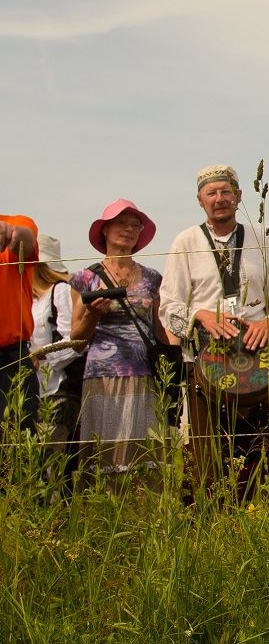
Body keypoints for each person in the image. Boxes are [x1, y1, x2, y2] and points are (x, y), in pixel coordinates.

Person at [159, 165, 269, 494]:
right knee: (208, 460)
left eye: (225, 191)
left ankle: (267, 524)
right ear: (200, 200)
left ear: (239, 196)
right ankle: (215, 534)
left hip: (260, 365)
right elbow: (167, 307)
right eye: (211, 193)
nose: (219, 199)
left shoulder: (261, 239)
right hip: (207, 368)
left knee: (268, 455)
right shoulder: (185, 241)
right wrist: (200, 316)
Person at [69, 200, 166, 474]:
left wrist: (174, 363)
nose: (129, 229)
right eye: (121, 223)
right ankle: (103, 514)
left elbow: (159, 329)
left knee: (142, 453)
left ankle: (144, 514)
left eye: (136, 225)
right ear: (105, 230)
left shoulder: (152, 278)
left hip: (144, 374)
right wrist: (92, 315)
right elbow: (76, 342)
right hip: (102, 376)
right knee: (106, 453)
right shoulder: (85, 278)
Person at [30, 235, 85, 479]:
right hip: (26, 392)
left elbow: (75, 341)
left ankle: (55, 514)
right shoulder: (22, 299)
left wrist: (41, 355)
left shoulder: (60, 291)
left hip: (56, 391)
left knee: (51, 462)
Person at [0, 214, 38, 434]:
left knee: (17, 443)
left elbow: (26, 240)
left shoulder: (19, 221)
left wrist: (12, 233)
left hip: (10, 360)